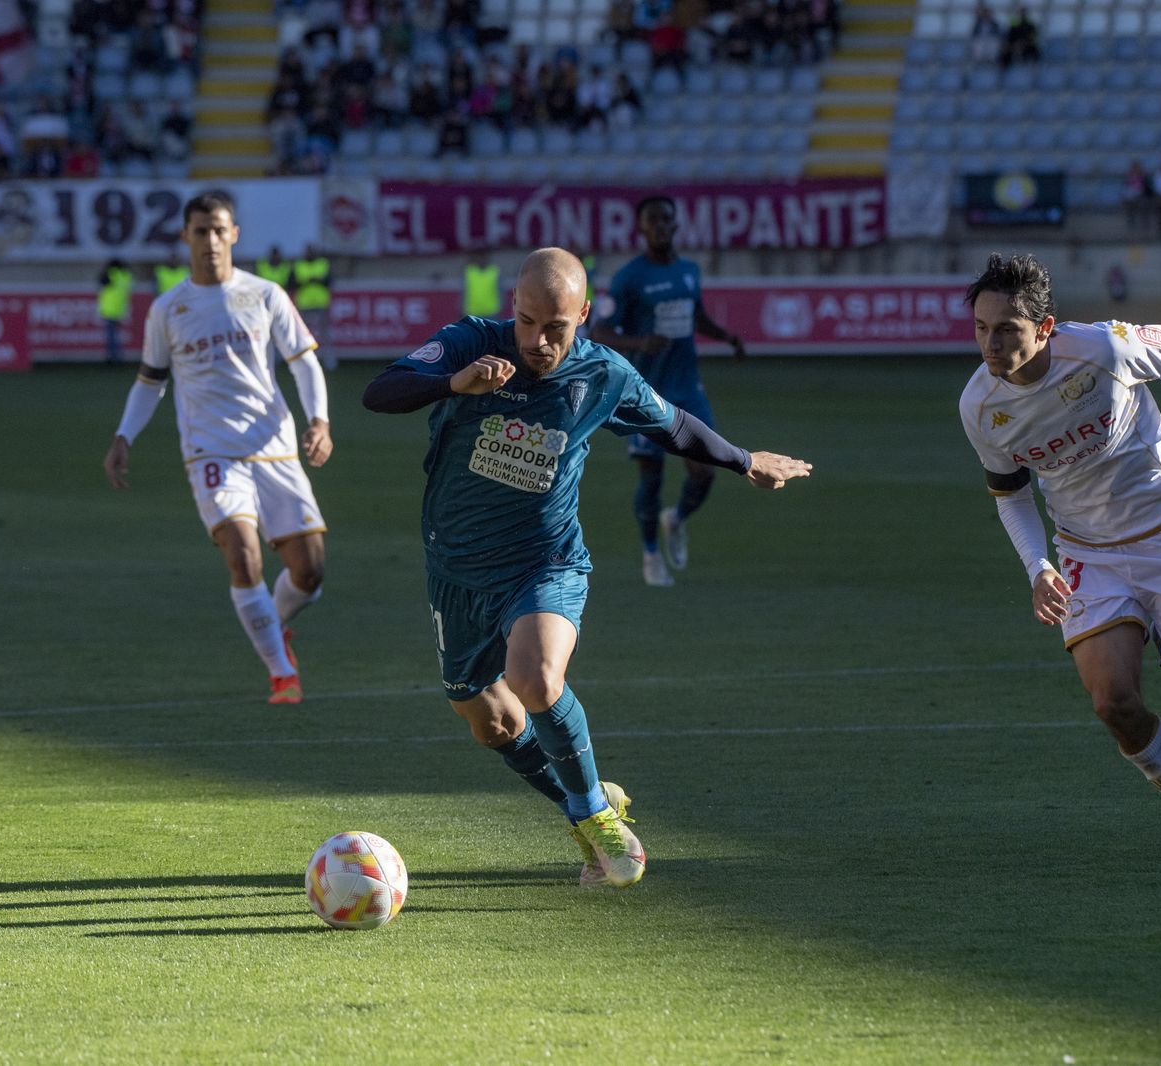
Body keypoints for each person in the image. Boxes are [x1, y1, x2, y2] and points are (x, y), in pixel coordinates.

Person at [362, 248, 811, 887]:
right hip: (456, 568)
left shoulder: (604, 374)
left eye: (556, 327)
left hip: (544, 561)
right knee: (490, 723)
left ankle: (593, 818)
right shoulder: (468, 343)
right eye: (525, 322)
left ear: (585, 316)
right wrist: (452, 384)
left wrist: (743, 460)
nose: (538, 341)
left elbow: (673, 424)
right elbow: (380, 393)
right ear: (510, 307)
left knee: (536, 679)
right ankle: (589, 803)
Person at [958, 252, 1161, 862]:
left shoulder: (1105, 349)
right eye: (981, 328)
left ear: (1044, 328)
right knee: (1112, 702)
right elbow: (1009, 493)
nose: (991, 343)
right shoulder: (979, 406)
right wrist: (1037, 565)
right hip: (1086, 553)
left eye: (1007, 329)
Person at [103, 191, 333, 705]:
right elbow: (150, 381)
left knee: (310, 571)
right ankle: (281, 674)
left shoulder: (266, 294)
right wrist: (124, 435)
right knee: (243, 554)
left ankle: (274, 629)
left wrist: (319, 420)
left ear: (235, 235)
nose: (210, 240)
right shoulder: (168, 309)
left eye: (218, 229)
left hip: (273, 447)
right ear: (186, 237)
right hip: (211, 452)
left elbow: (303, 361)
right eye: (200, 230)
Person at [590, 196, 747, 587]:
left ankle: (675, 519)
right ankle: (650, 555)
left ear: (676, 225)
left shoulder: (689, 271)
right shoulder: (630, 277)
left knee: (705, 470)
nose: (660, 226)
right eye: (652, 221)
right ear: (641, 229)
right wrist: (641, 343)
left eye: (666, 219)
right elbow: (600, 331)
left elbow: (697, 317)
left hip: (688, 388)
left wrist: (726, 336)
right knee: (651, 476)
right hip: (644, 390)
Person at [97, 258, 135, 364]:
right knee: (117, 334)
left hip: (109, 308)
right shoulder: (126, 275)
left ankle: (113, 356)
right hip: (121, 308)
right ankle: (118, 354)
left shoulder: (111, 273)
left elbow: (101, 281)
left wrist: (104, 270)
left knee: (111, 334)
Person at [462, 250, 501, 318]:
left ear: (488, 259)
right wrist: (462, 308)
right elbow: (464, 291)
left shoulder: (494, 271)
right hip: (472, 311)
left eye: (483, 258)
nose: (481, 260)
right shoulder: (469, 271)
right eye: (479, 258)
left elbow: (501, 290)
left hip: (491, 311)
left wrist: (500, 308)